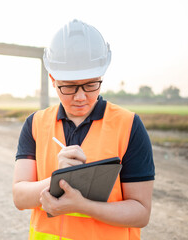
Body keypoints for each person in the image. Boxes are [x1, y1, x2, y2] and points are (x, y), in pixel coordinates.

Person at [12, 19, 155, 240]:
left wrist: (84, 205)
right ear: (53, 79)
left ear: (101, 77)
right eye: (69, 87)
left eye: (90, 85)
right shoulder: (35, 124)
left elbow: (141, 213)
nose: (80, 97)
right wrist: (56, 180)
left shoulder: (128, 126)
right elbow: (20, 197)